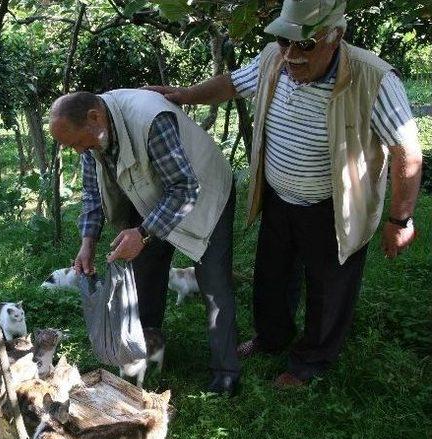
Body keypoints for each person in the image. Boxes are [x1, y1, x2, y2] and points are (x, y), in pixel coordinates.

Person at [148, 0, 423, 387]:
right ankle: (272, 337)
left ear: (335, 36)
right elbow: (231, 84)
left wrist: (400, 219)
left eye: (305, 45)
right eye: (283, 41)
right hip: (279, 199)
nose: (292, 55)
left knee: (330, 288)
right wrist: (183, 96)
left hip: (334, 207)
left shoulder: (372, 77)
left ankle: (310, 360)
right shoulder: (274, 60)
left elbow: (406, 152)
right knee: (272, 277)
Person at [49, 89, 240, 395]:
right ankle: (146, 350)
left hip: (204, 192)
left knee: (214, 283)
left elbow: (185, 188)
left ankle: (226, 372)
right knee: (143, 274)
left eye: (76, 142)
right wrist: (88, 242)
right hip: (150, 193)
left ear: (94, 118)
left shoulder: (150, 120)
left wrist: (143, 232)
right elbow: (92, 193)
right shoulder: (90, 137)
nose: (77, 151)